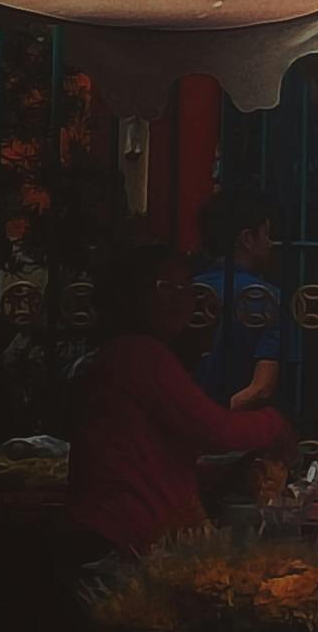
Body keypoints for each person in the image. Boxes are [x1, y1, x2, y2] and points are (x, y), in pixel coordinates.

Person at [67, 238, 294, 557]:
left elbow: (156, 445)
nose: (180, 299)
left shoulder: (126, 353)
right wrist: (273, 424)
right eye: (165, 288)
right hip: (124, 528)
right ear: (133, 295)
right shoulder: (140, 356)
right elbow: (215, 430)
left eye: (185, 287)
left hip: (119, 523)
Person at [191, 184, 291, 417]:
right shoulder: (267, 298)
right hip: (240, 431)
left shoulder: (189, 291)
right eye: (266, 234)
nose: (270, 243)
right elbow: (262, 388)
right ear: (247, 238)